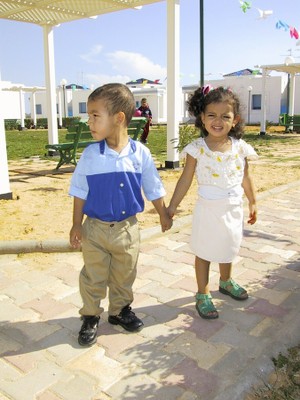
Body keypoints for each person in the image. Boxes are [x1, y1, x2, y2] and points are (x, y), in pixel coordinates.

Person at [69, 83, 172, 346]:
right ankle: (91, 316)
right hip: (95, 230)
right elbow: (79, 190)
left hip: (128, 230)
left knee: (125, 274)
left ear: (119, 118)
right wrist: (76, 225)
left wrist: (163, 213)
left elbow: (153, 186)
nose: (89, 121)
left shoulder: (140, 154)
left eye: (95, 115)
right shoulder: (91, 155)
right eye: (89, 115)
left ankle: (119, 311)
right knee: (93, 276)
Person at [167, 85, 258, 319]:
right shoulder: (197, 149)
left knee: (229, 246)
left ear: (234, 120)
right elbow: (185, 179)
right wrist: (173, 205)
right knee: (205, 250)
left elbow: (245, 177)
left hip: (233, 208)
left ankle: (226, 281)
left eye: (225, 116)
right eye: (212, 115)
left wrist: (253, 202)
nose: (218, 121)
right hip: (208, 209)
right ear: (202, 118)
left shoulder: (240, 148)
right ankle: (203, 293)